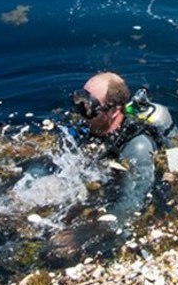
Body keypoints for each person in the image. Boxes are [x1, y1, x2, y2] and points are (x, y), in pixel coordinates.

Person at [48, 71, 170, 261]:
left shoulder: (137, 148)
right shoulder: (91, 126)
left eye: (89, 106)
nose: (80, 111)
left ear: (113, 111)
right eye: (79, 99)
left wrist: (82, 236)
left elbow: (132, 203)